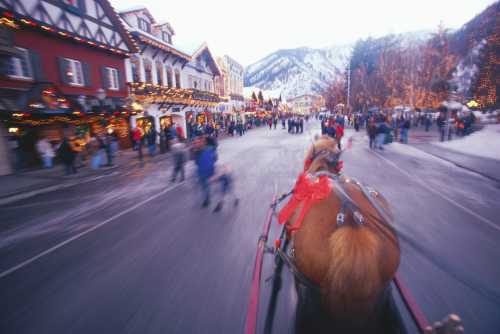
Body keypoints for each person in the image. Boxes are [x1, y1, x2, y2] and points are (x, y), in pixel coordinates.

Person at [195, 137, 218, 208]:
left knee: (205, 186)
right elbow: (215, 159)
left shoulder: (199, 150)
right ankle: (208, 198)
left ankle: (207, 199)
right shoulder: (212, 149)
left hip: (202, 170)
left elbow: (197, 161)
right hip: (210, 169)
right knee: (206, 185)